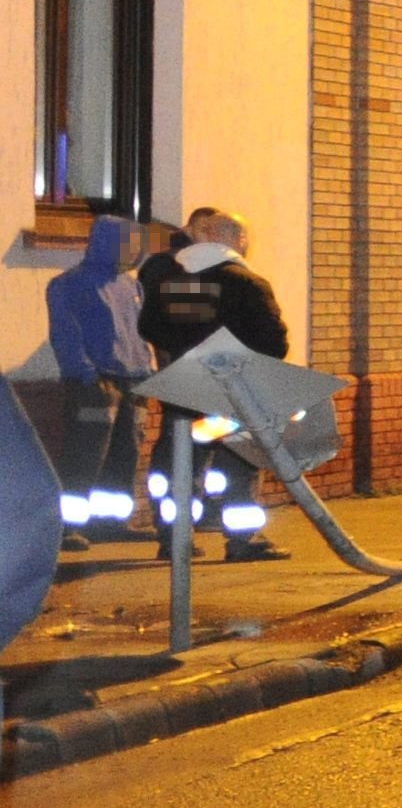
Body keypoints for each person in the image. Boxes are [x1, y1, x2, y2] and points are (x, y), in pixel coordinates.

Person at [134, 206, 291, 561]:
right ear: (239, 239)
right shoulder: (247, 283)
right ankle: (243, 541)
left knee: (179, 466)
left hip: (186, 390)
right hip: (237, 392)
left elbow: (155, 329)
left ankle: (175, 540)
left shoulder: (177, 279)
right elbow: (274, 343)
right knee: (240, 466)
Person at [43, 214, 147, 542]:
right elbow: (65, 334)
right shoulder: (68, 284)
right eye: (126, 243)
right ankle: (68, 528)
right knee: (85, 455)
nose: (133, 251)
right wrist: (86, 374)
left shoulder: (132, 284)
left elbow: (138, 333)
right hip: (95, 384)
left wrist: (146, 370)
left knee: (125, 454)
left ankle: (110, 524)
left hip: (133, 381)